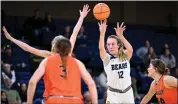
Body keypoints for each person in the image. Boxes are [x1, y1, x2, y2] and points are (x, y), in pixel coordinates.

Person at [27, 35, 98, 104]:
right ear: (70, 48)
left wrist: (29, 102)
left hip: (54, 99)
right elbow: (91, 84)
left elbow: (32, 82)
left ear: (56, 47)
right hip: (75, 100)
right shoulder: (78, 62)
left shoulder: (47, 60)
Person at [2, 4, 90, 58]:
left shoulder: (50, 55)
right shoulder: (68, 53)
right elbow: (74, 33)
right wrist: (81, 18)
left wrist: (11, 39)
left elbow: (28, 48)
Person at [98, 20, 134, 103]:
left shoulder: (125, 56)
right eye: (108, 44)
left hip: (128, 93)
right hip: (113, 94)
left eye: (113, 44)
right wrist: (102, 33)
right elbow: (101, 49)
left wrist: (121, 36)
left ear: (118, 45)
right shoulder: (107, 58)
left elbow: (130, 49)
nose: (110, 46)